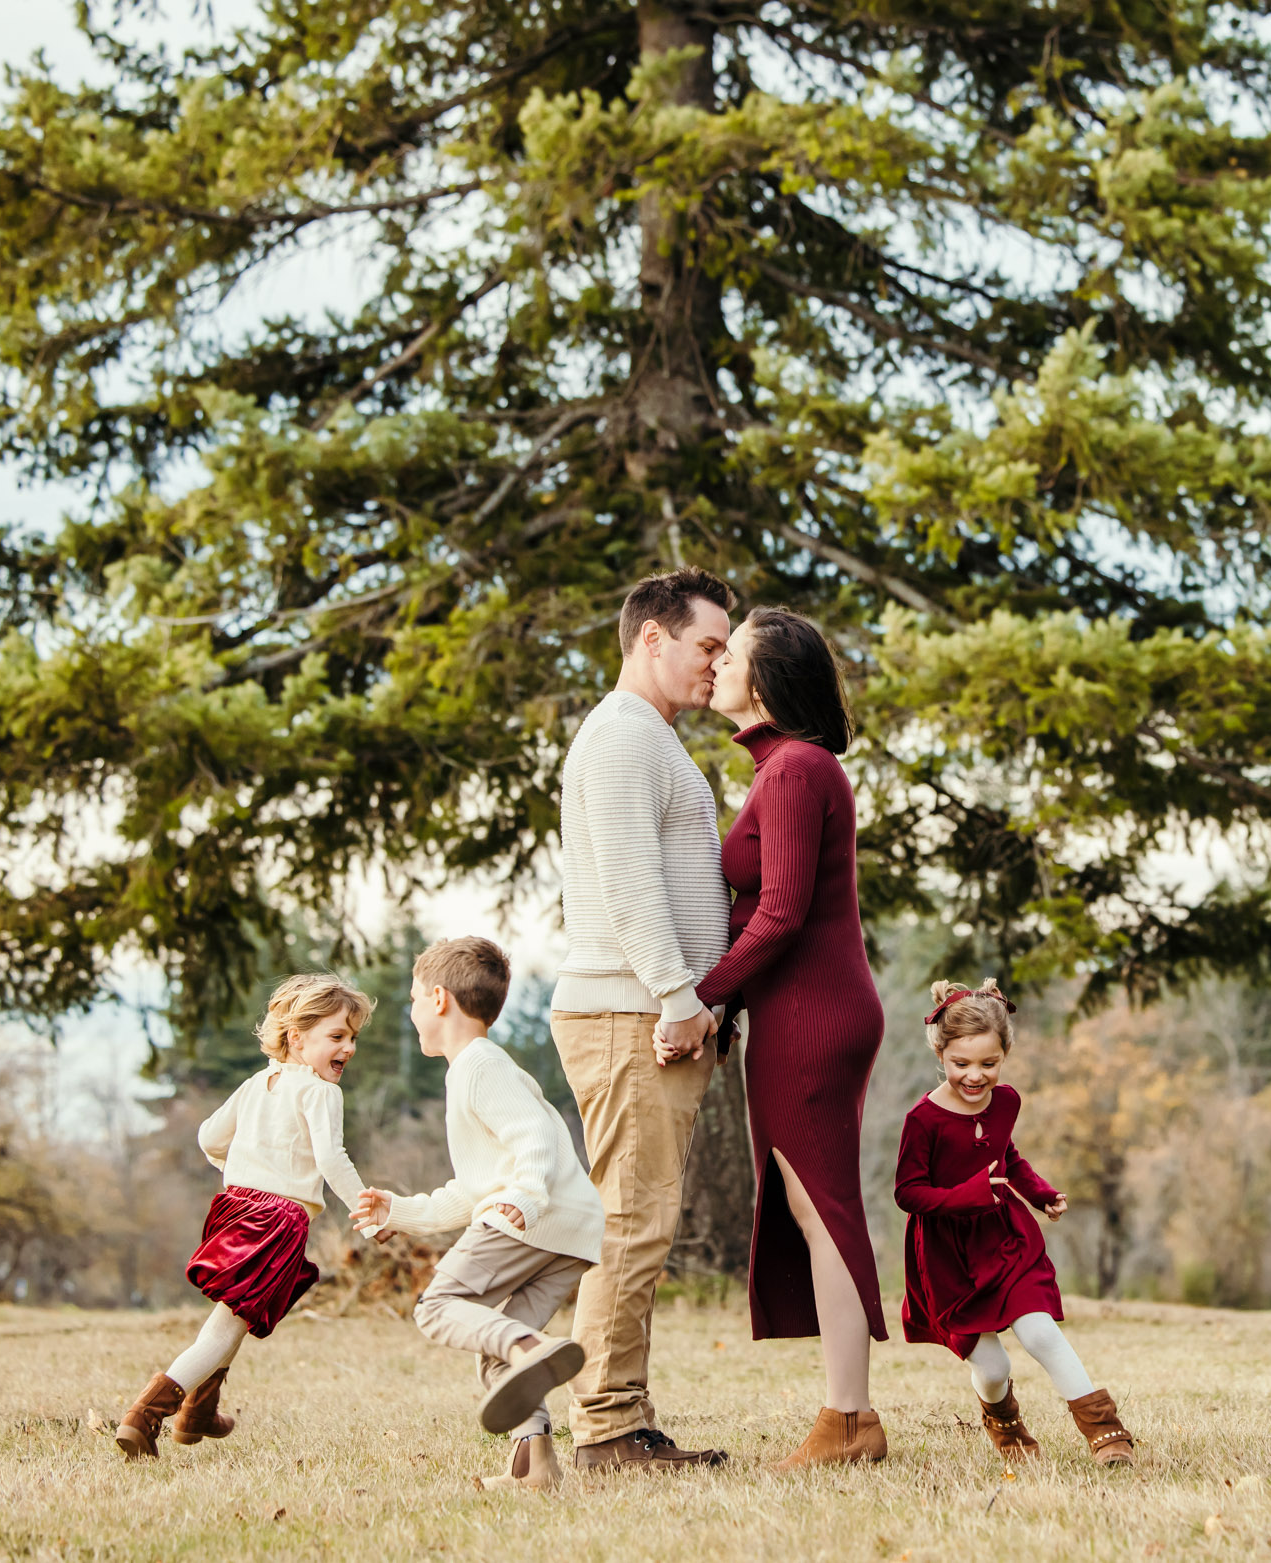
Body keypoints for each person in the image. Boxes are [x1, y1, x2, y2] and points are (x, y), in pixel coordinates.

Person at [690, 607, 888, 1469]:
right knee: (810, 1210)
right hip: (788, 1009)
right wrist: (731, 1008)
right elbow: (760, 910)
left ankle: (850, 1419)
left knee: (824, 1210)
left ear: (765, 679)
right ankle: (848, 1414)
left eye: (727, 654)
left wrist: (697, 999)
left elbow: (780, 912)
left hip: (816, 1014)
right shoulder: (779, 769)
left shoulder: (799, 770)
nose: (714, 664)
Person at [549, 566, 736, 1470]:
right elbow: (630, 880)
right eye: (708, 645)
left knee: (641, 1217)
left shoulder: (648, 737)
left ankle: (621, 1416)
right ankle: (608, 1429)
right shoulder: (624, 737)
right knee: (633, 1218)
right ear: (650, 638)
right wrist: (677, 994)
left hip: (645, 1011)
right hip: (632, 1012)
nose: (720, 663)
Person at [353, 936, 604, 1492]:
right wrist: (403, 1211)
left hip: (536, 1214)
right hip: (570, 1230)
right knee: (495, 1346)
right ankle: (534, 1468)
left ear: (439, 999)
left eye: (415, 998)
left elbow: (533, 1137)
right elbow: (473, 1191)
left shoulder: (478, 1066)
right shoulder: (477, 1069)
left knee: (440, 1308)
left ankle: (535, 1349)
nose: (412, 1010)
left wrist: (527, 1197)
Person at [115, 973, 375, 1459]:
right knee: (228, 1326)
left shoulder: (259, 1083)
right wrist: (367, 1211)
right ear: (297, 1038)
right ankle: (147, 1413)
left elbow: (210, 1137)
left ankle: (199, 1411)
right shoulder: (321, 1092)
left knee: (235, 1314)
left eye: (352, 1038)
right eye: (337, 1036)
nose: (349, 1048)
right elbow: (332, 1159)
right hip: (278, 1222)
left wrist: (238, 1170)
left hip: (236, 1207)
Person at [895, 979, 1137, 1468]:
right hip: (949, 1258)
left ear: (1005, 1053)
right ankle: (1007, 1428)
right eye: (961, 1063)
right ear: (940, 1053)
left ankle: (1106, 1433)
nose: (975, 1075)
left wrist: (1040, 1193)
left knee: (1040, 1333)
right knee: (992, 1365)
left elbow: (1008, 1157)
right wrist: (969, 1195)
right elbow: (908, 1193)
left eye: (989, 1063)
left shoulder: (1006, 1102)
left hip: (1005, 1239)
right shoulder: (923, 1120)